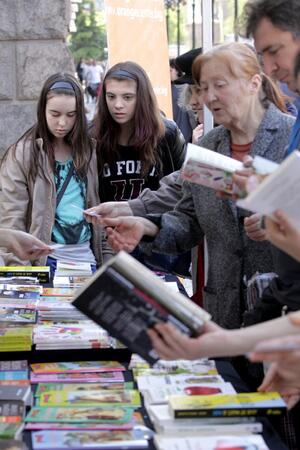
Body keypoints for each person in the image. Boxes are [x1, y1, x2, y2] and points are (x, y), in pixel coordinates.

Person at [97, 42, 294, 331]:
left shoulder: (290, 138)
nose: (209, 97)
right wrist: (146, 226)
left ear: (254, 83)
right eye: (202, 88)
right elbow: (188, 220)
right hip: (224, 316)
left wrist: (278, 225)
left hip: (284, 318)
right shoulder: (209, 147)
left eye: (220, 85)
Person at [0, 73, 110, 270]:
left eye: (71, 115)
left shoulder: (89, 151)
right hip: (44, 261)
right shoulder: (22, 154)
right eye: (55, 114)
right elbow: (12, 219)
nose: (62, 123)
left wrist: (106, 264)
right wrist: (22, 273)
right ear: (42, 110)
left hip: (86, 259)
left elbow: (99, 210)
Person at [90, 61, 186, 204]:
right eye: (111, 96)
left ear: (142, 98)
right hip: (105, 223)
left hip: (155, 223)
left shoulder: (167, 133)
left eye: (127, 97)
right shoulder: (92, 136)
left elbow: (184, 186)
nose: (118, 105)